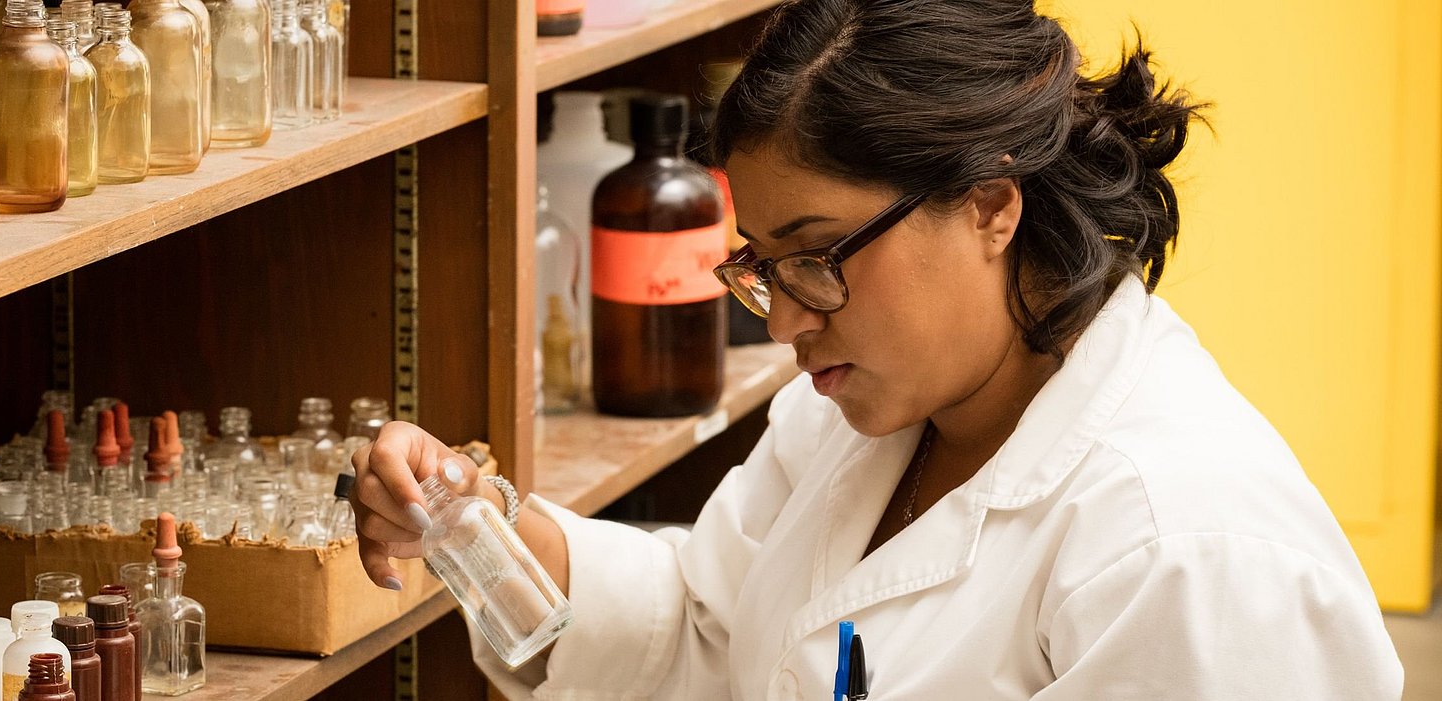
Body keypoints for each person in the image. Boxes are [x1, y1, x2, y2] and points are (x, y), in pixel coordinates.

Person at [349, 0, 1405, 697]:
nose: (783, 319)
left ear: (991, 205)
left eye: (818, 255)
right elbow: (710, 630)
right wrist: (486, 525)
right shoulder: (860, 406)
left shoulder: (1183, 549)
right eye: (759, 262)